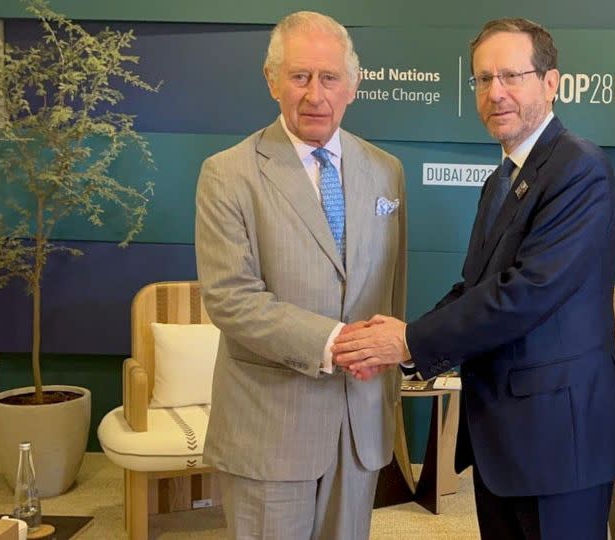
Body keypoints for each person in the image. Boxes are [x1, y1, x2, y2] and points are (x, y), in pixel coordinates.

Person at [332, 18, 615, 539]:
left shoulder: (579, 168)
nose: (495, 93)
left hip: (560, 444)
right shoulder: (502, 178)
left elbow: (523, 294)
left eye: (511, 76)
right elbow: (474, 288)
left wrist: (406, 340)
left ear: (550, 82)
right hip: (506, 437)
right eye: (482, 79)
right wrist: (400, 342)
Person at [194, 11, 406, 540]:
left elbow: (392, 285)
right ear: (272, 81)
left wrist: (383, 361)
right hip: (271, 427)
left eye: (330, 78)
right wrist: (337, 343)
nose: (316, 94)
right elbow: (231, 300)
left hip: (359, 423)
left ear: (353, 86)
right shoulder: (228, 173)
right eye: (300, 76)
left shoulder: (386, 171)